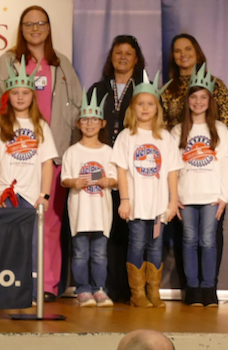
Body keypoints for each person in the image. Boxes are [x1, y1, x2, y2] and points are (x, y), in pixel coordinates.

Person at [0, 5, 82, 300]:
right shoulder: (8, 61)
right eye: (29, 23)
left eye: (41, 22)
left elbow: (76, 105)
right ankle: (14, 281)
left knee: (50, 222)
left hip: (52, 155)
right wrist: (11, 131)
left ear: (49, 27)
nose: (35, 28)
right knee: (14, 226)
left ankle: (48, 284)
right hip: (17, 156)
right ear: (21, 28)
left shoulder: (62, 64)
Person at [0, 56, 57, 299]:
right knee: (4, 242)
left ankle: (31, 289)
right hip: (6, 194)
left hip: (31, 196)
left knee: (33, 244)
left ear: (33, 96)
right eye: (16, 93)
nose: (21, 97)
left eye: (26, 92)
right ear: (9, 96)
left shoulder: (41, 126)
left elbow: (47, 163)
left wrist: (44, 195)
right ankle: (4, 287)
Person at [86, 34, 146, 303]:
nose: (122, 57)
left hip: (133, 169)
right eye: (118, 52)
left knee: (129, 229)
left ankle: (127, 289)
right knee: (103, 228)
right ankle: (103, 287)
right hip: (101, 166)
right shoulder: (97, 89)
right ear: (111, 57)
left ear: (136, 59)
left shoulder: (144, 89)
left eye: (128, 53)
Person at [114, 73, 181, 308]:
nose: (145, 108)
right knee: (136, 243)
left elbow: (173, 171)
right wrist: (124, 200)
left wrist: (173, 202)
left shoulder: (165, 137)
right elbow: (121, 171)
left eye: (150, 104)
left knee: (155, 245)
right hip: (136, 203)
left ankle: (154, 290)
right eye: (140, 104)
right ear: (133, 107)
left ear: (157, 108)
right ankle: (137, 293)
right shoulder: (126, 136)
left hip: (158, 205)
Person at [169, 65, 228, 308]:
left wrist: (224, 197)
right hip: (186, 195)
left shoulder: (220, 129)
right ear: (187, 101)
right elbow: (173, 169)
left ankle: (209, 288)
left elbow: (224, 166)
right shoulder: (178, 131)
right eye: (194, 97)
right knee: (188, 241)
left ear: (210, 100)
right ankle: (192, 288)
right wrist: (173, 197)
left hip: (211, 196)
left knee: (208, 241)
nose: (198, 102)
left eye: (203, 97)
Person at [60, 89, 116, 308]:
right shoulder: (72, 152)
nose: (89, 124)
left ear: (102, 123)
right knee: (81, 253)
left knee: (100, 254)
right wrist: (74, 182)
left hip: (101, 212)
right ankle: (83, 290)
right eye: (85, 119)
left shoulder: (108, 152)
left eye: (94, 119)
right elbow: (65, 179)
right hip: (80, 211)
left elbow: (116, 179)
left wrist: (108, 182)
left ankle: (100, 289)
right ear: (78, 123)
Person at [160, 34, 228, 159]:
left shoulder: (216, 86)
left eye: (188, 49)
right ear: (173, 57)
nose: (183, 54)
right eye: (177, 51)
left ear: (197, 53)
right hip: (180, 155)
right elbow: (162, 127)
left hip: (212, 155)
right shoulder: (167, 90)